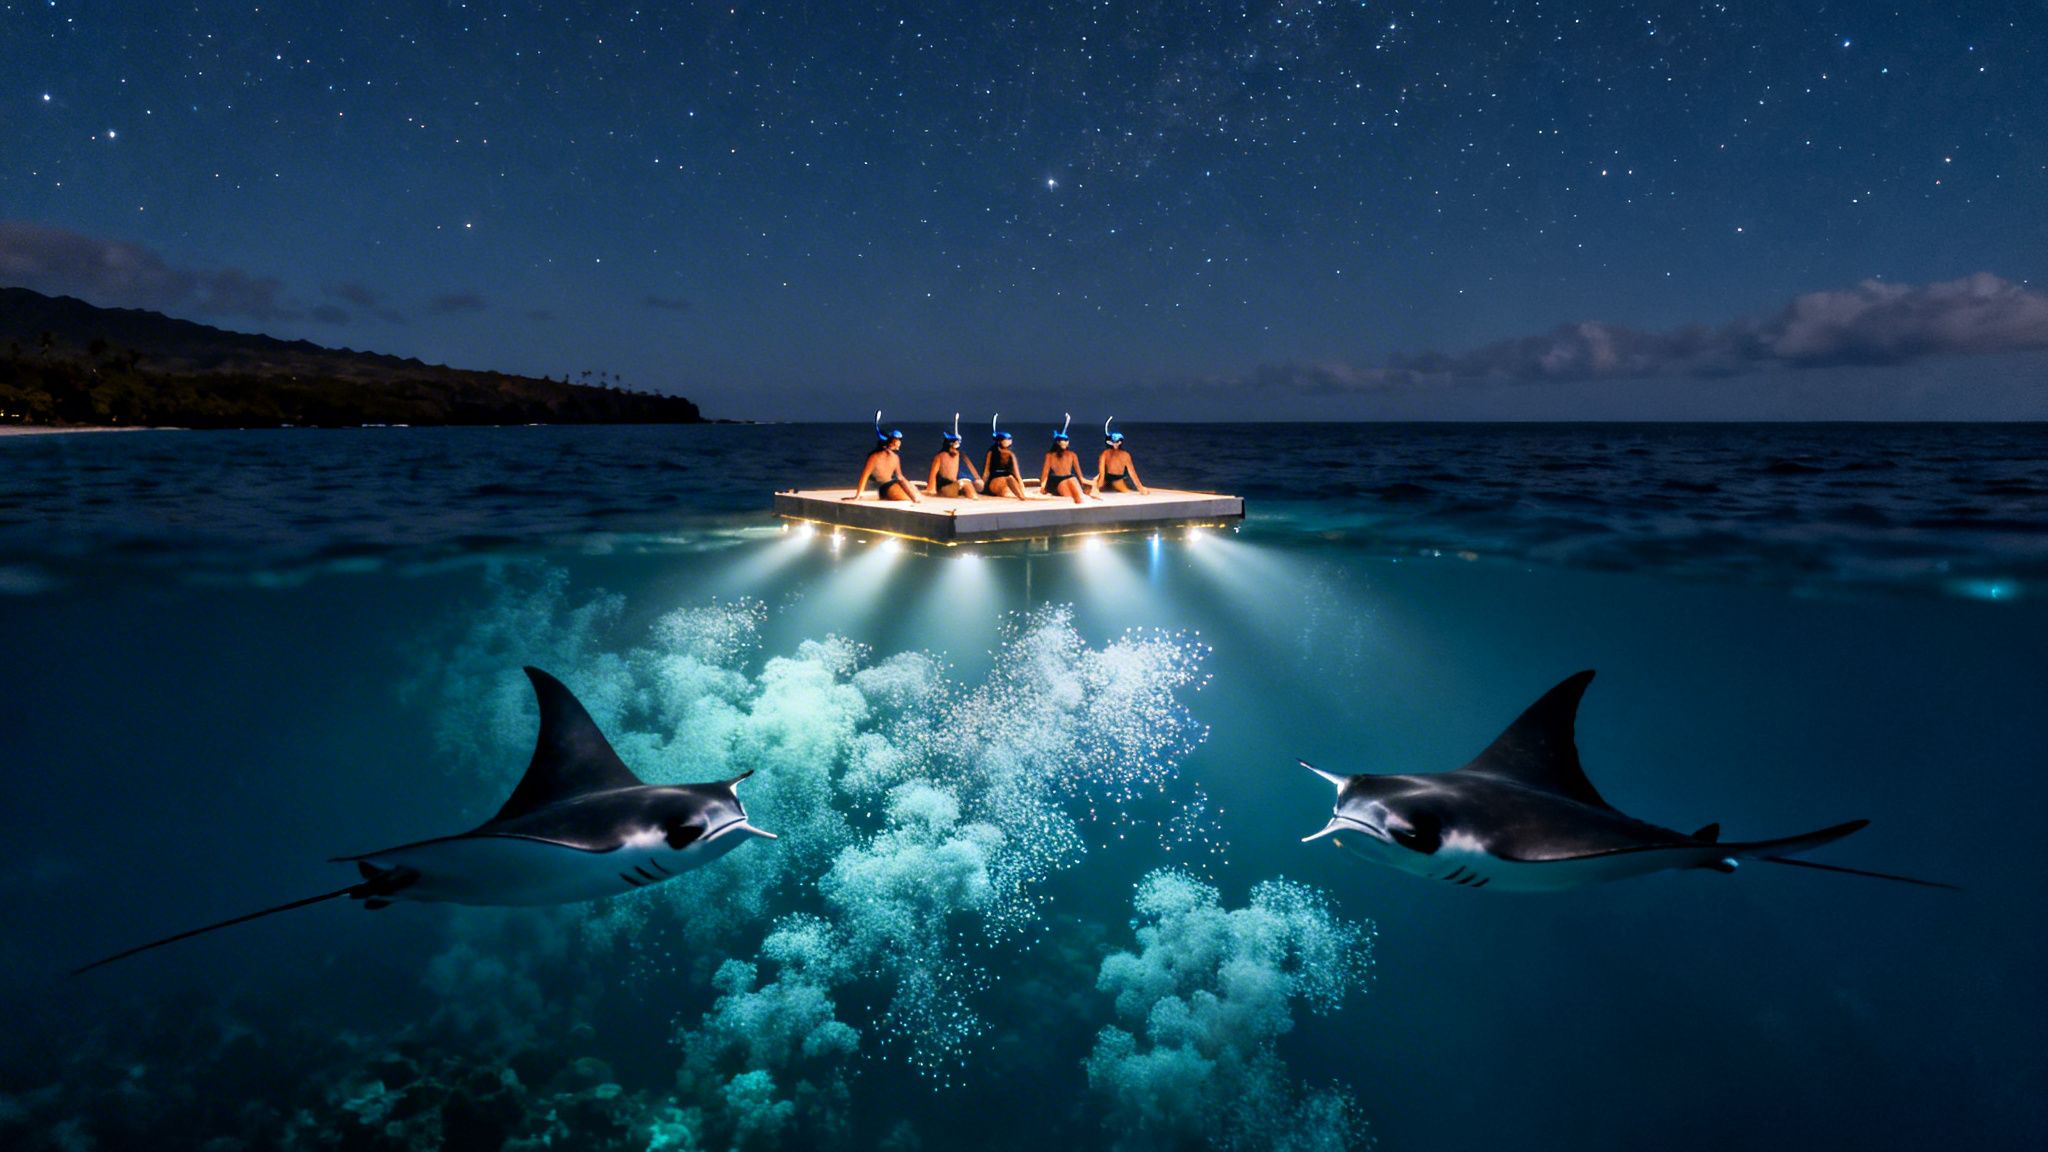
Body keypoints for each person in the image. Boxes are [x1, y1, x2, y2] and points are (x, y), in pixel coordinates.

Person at [845, 427, 920, 502]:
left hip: (887, 487)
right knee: (909, 493)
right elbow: (900, 478)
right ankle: (913, 495)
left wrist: (857, 496)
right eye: (898, 441)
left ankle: (913, 495)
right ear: (891, 443)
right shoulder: (891, 457)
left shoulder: (875, 457)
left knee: (911, 491)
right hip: (888, 487)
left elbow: (864, 477)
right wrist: (913, 497)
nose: (899, 443)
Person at [1091, 421, 1147, 495]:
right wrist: (1098, 485)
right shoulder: (1105, 453)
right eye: (1114, 442)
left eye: (1117, 442)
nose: (1115, 444)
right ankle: (1102, 484)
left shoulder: (1125, 455)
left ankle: (1104, 484)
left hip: (1116, 479)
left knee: (1124, 490)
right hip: (1107, 478)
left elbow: (1132, 472)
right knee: (1096, 483)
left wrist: (1140, 488)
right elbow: (1101, 471)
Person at [1040, 425, 1091, 504]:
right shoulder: (1050, 456)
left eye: (1066, 440)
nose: (1064, 442)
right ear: (1057, 442)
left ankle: (1081, 505)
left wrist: (1092, 483)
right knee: (1070, 497)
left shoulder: (1072, 455)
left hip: (1070, 477)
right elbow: (1045, 473)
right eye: (1062, 440)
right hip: (1057, 479)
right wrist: (1043, 486)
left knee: (1075, 488)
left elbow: (1080, 476)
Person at [927, 429, 982, 498]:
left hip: (955, 485)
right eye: (953, 445)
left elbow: (972, 470)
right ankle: (974, 499)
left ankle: (973, 499)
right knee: (966, 485)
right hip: (945, 487)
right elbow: (933, 475)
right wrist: (931, 489)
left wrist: (977, 480)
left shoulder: (961, 455)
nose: (954, 448)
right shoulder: (940, 457)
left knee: (968, 485)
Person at [983, 426, 1029, 500]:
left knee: (1010, 479)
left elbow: (1017, 474)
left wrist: (1021, 486)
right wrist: (984, 487)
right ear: (999, 441)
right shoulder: (992, 452)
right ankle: (1021, 497)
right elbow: (986, 471)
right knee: (1009, 479)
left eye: (1010, 439)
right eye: (1006, 439)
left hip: (1008, 482)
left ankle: (1020, 495)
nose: (1009, 441)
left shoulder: (1011, 454)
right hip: (994, 481)